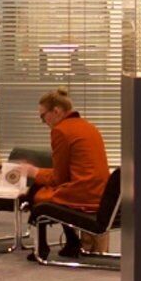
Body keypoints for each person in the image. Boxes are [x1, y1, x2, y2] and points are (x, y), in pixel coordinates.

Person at [23, 88, 111, 257]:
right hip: (100, 193)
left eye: (43, 116)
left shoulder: (61, 131)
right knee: (46, 190)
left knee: (37, 195)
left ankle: (42, 248)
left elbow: (59, 178)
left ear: (56, 111)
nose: (43, 121)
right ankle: (71, 242)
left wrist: (34, 172)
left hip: (84, 194)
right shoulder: (87, 126)